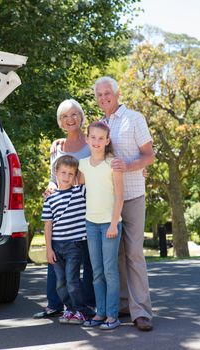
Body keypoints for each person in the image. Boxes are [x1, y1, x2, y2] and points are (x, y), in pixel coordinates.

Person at [94, 76, 155, 331]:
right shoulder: (100, 125)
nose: (103, 98)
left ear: (117, 94)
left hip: (132, 196)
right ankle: (120, 306)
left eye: (107, 93)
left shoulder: (135, 119)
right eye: (99, 95)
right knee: (115, 256)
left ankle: (141, 311)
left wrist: (130, 166)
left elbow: (149, 156)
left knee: (133, 253)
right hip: (108, 201)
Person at [33, 99, 95, 319]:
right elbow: (53, 178)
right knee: (55, 256)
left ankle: (86, 305)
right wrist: (50, 189)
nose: (70, 120)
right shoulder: (57, 147)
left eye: (74, 115)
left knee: (86, 259)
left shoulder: (91, 142)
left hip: (86, 206)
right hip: (61, 208)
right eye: (65, 117)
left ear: (81, 116)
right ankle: (55, 304)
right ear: (60, 121)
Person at [79, 121, 123, 330]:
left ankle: (113, 316)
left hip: (110, 225)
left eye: (100, 138)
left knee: (109, 271)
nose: (96, 142)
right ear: (87, 139)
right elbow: (70, 184)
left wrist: (114, 224)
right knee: (96, 271)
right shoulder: (83, 165)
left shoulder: (113, 163)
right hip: (91, 224)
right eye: (93, 137)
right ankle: (100, 313)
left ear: (107, 141)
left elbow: (120, 197)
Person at [42, 155, 88, 324]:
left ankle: (81, 311)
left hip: (74, 245)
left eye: (71, 173)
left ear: (75, 175)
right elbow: (48, 225)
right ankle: (70, 309)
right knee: (60, 283)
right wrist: (48, 249)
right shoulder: (50, 198)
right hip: (56, 246)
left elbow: (85, 175)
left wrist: (79, 169)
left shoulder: (80, 191)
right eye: (63, 172)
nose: (66, 177)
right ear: (56, 173)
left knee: (72, 280)